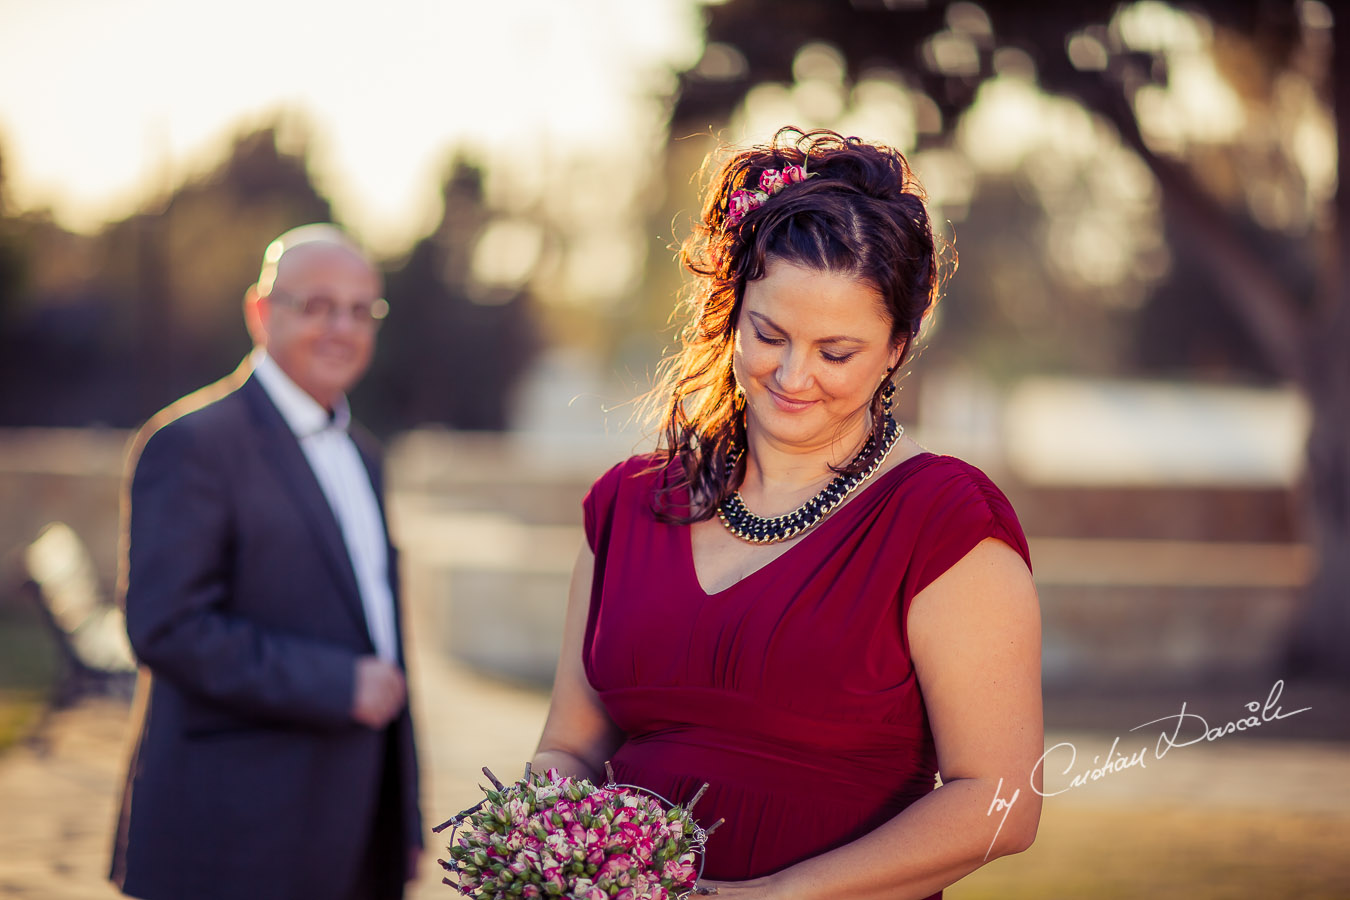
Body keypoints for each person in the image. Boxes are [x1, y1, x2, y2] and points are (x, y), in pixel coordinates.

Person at [533, 128, 1042, 899]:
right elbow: (568, 748)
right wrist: (541, 843)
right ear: (733, 310)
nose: (792, 375)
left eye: (836, 352)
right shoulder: (628, 506)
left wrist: (775, 896)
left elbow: (1002, 804)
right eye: (769, 335)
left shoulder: (946, 524)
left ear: (898, 346)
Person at [110, 225, 422, 900]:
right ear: (260, 312)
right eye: (316, 306)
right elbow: (166, 627)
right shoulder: (190, 443)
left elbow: (377, 626)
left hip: (355, 824)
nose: (342, 327)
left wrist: (404, 815)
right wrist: (340, 684)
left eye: (361, 310)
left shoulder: (363, 452)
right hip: (232, 830)